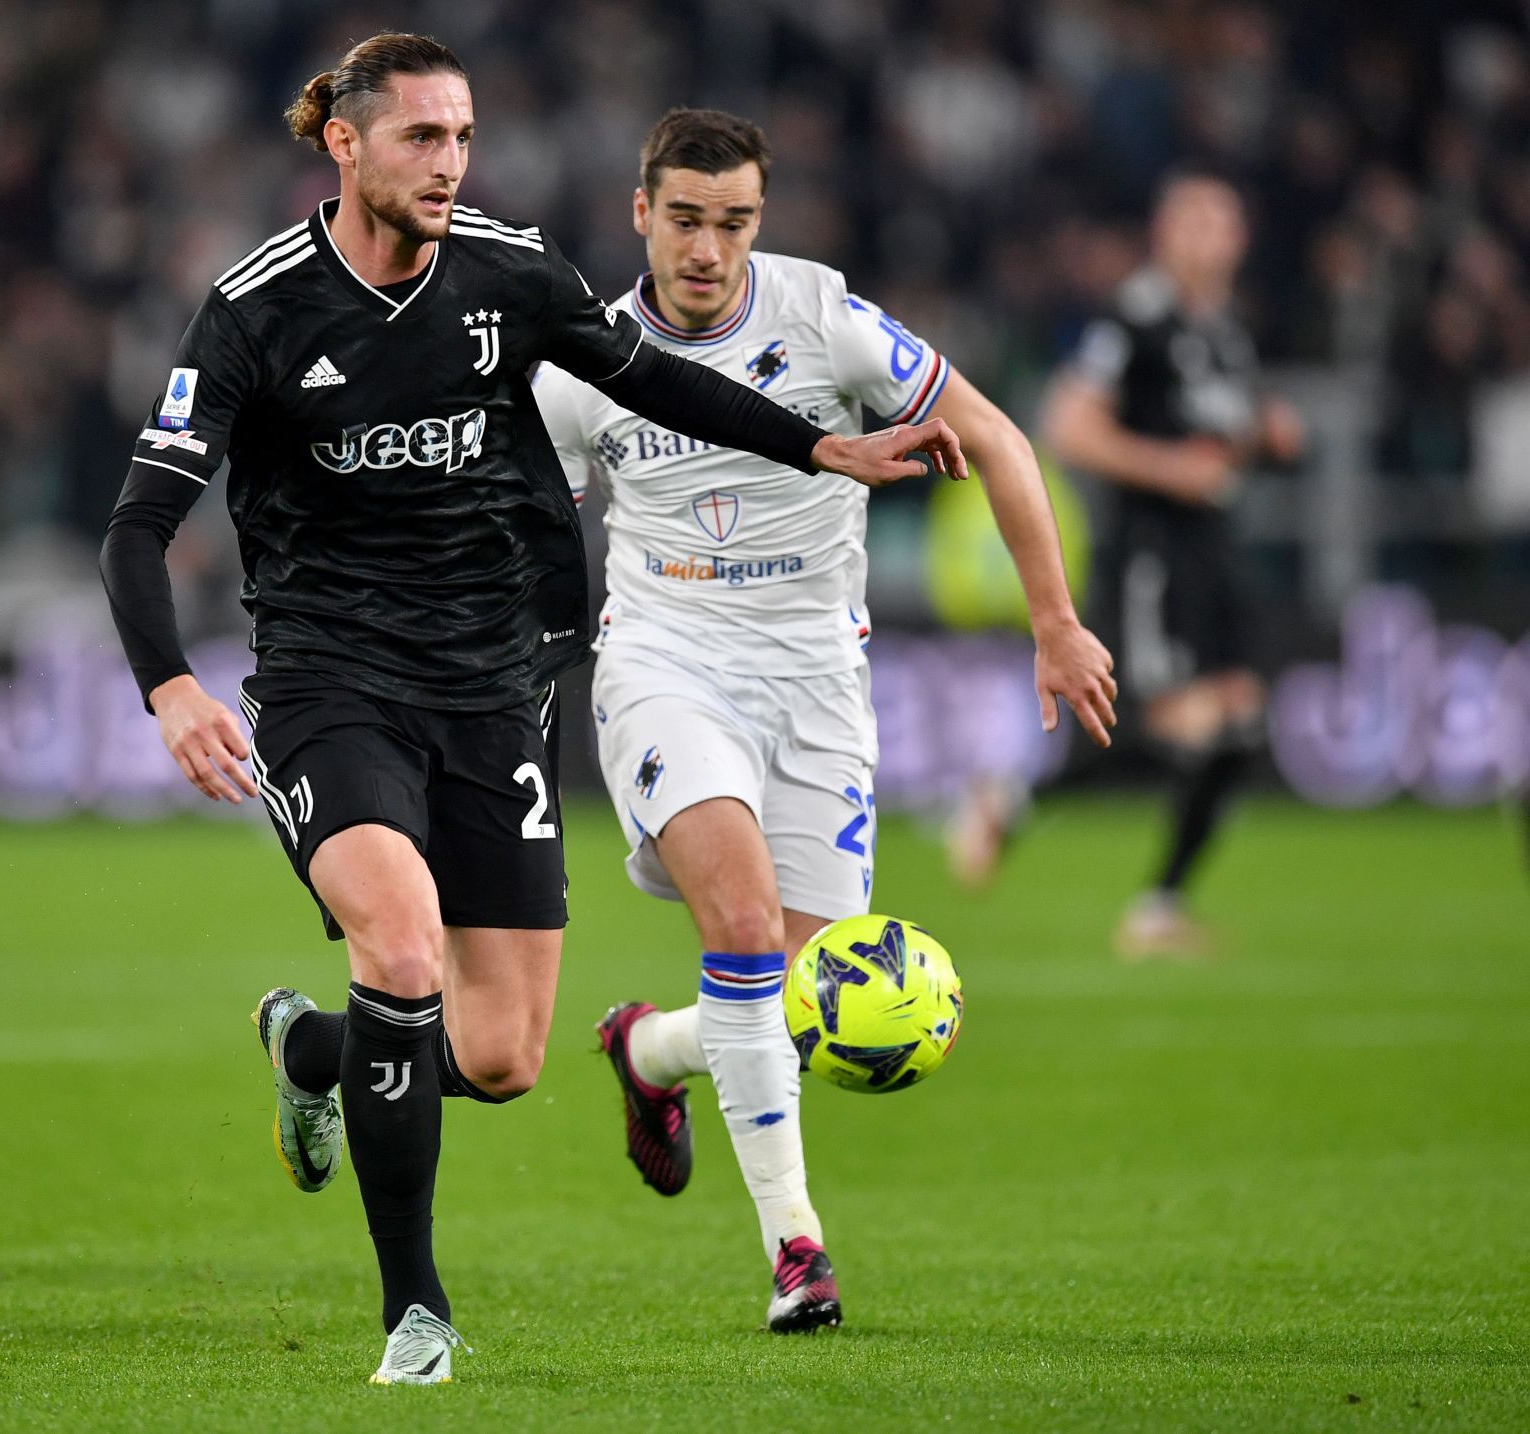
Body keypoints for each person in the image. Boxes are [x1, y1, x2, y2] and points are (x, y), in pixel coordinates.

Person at [99, 37, 968, 1384]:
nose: (450, 163)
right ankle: (416, 1314)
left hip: (489, 688)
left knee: (500, 1055)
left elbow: (649, 374)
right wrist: (168, 685)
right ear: (344, 143)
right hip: (330, 686)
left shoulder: (510, 273)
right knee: (399, 946)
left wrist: (817, 443)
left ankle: (312, 1048)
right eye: (420, 139)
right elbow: (138, 524)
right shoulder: (256, 310)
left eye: (461, 137)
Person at [531, 109, 1116, 1332]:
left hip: (815, 692)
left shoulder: (825, 319)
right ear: (641, 214)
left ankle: (649, 1054)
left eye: (734, 222)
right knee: (741, 927)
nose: (708, 248)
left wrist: (1053, 621)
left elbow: (1001, 440)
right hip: (662, 670)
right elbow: (507, 525)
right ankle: (800, 1254)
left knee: (794, 1007)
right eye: (685, 219)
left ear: (761, 220)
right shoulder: (582, 360)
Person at [1039, 170, 1303, 959]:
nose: (1206, 238)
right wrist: (1169, 469)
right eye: (1192, 222)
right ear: (1164, 233)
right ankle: (1010, 803)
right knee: (1171, 726)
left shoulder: (1225, 334)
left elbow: (1226, 435)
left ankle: (1160, 905)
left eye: (1219, 224)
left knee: (1240, 723)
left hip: (1214, 550)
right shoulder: (1136, 318)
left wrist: (1270, 434)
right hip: (1151, 552)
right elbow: (1068, 426)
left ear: (1240, 240)